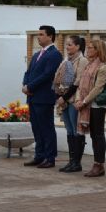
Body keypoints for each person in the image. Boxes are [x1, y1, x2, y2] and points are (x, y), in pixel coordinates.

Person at [22, 25, 63, 168]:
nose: (38, 37)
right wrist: (25, 85)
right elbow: (28, 72)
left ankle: (50, 157)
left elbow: (47, 75)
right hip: (33, 97)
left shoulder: (55, 54)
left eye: (41, 34)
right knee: (36, 128)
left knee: (46, 128)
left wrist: (31, 86)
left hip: (44, 97)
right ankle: (39, 156)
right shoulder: (36, 54)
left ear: (50, 36)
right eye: (38, 34)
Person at [74, 40, 106, 177]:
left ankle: (99, 164)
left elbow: (98, 88)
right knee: (93, 135)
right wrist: (79, 99)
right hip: (86, 104)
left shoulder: (103, 67)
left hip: (96, 105)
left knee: (98, 134)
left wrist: (84, 101)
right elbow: (80, 85)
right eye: (88, 47)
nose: (88, 50)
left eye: (91, 48)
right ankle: (97, 164)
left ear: (98, 50)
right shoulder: (88, 66)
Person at [54, 35, 88, 172]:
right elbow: (58, 79)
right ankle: (71, 161)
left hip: (74, 99)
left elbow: (77, 82)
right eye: (67, 45)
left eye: (70, 45)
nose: (67, 47)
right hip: (64, 100)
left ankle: (77, 163)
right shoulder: (66, 61)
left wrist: (65, 97)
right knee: (69, 130)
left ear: (78, 46)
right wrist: (58, 95)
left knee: (76, 130)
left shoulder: (82, 61)